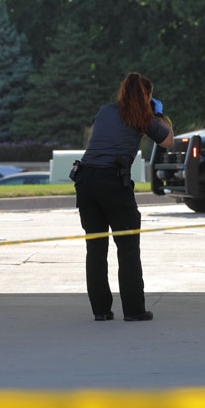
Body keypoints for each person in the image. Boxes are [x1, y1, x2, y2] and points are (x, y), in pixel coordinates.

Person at [74, 72, 173, 321]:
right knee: (128, 248)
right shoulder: (142, 116)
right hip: (113, 183)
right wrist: (158, 113)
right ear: (147, 96)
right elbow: (168, 140)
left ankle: (101, 311)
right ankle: (134, 310)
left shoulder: (105, 111)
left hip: (85, 181)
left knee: (95, 248)